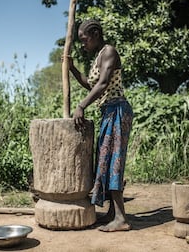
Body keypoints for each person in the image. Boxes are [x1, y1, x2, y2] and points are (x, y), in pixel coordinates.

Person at [64, 19, 133, 232]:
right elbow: (90, 84)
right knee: (106, 159)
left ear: (94, 34)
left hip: (117, 110)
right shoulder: (99, 57)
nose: (83, 44)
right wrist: (73, 68)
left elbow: (103, 84)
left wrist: (81, 105)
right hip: (108, 111)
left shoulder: (109, 51)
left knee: (113, 161)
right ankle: (113, 213)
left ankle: (121, 219)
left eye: (84, 40)